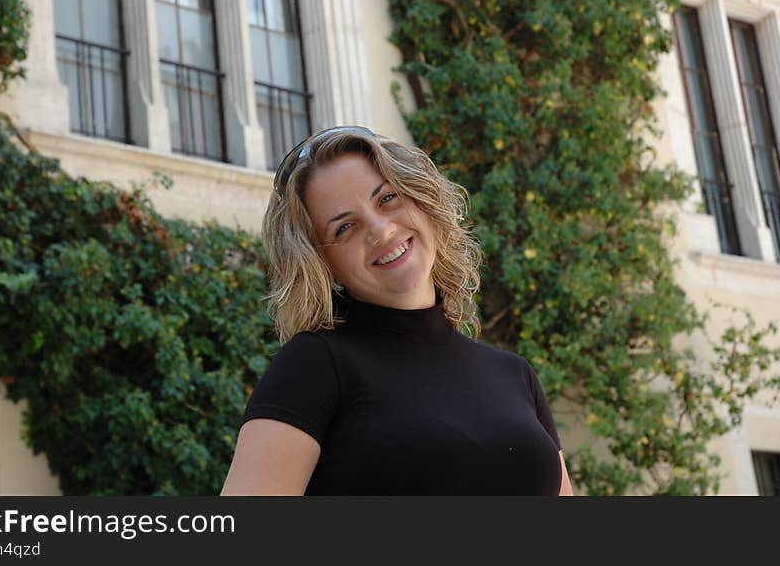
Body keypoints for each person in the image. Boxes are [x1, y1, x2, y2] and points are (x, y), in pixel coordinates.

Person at [220, 125, 573, 495]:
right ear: (325, 264)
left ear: (422, 201)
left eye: (387, 199)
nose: (379, 229)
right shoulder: (314, 365)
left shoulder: (515, 375)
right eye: (345, 227)